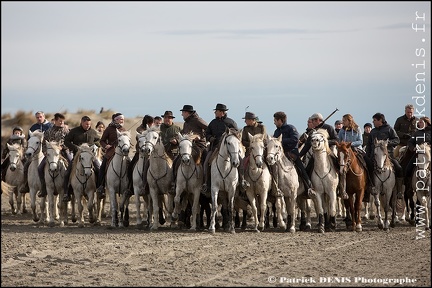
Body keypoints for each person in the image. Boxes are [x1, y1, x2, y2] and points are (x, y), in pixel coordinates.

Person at [272, 111, 316, 198]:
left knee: (302, 170)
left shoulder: (291, 128)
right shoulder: (276, 131)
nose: (274, 122)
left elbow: (295, 139)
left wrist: (281, 141)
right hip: (279, 154)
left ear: (280, 120)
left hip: (292, 153)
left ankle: (309, 188)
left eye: (275, 121)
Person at [62, 116, 101, 202]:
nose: (88, 126)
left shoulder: (93, 132)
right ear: (82, 122)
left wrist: (95, 145)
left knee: (98, 169)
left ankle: (100, 189)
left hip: (90, 156)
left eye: (89, 124)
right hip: (77, 156)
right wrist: (75, 148)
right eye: (86, 124)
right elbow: (66, 141)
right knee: (67, 172)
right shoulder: (74, 131)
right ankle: (67, 192)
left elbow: (98, 141)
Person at [201, 103, 238, 193]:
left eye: (216, 111)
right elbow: (207, 133)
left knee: (239, 160)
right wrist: (210, 138)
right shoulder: (213, 122)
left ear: (221, 112)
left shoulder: (231, 122)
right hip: (216, 148)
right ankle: (206, 183)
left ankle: (242, 181)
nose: (215, 113)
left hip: (230, 149)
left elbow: (236, 134)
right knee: (206, 163)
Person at [365, 112, 404, 198]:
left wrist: (387, 143)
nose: (373, 122)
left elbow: (397, 140)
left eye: (374, 120)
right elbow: (369, 145)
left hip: (388, 156)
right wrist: (367, 156)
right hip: (373, 157)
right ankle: (368, 189)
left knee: (399, 168)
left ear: (380, 120)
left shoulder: (389, 129)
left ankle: (399, 190)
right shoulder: (373, 131)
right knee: (365, 169)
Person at [338, 114, 376, 200]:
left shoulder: (357, 129)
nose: (343, 122)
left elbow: (360, 141)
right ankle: (339, 187)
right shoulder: (341, 131)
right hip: (345, 151)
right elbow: (339, 141)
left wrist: (350, 144)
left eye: (344, 120)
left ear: (349, 121)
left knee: (369, 163)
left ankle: (371, 184)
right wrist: (343, 146)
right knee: (338, 164)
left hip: (356, 150)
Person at [37, 113, 72, 198]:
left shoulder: (66, 130)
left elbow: (70, 142)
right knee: (40, 168)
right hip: (51, 154)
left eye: (63, 121)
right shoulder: (49, 131)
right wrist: (45, 151)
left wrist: (63, 147)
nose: (61, 123)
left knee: (72, 164)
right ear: (55, 121)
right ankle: (43, 188)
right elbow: (44, 143)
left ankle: (69, 189)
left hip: (64, 152)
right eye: (60, 121)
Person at [20, 111, 54, 193]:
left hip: (48, 151)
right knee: (26, 166)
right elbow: (29, 140)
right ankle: (26, 185)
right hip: (35, 153)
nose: (39, 118)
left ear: (44, 116)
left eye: (40, 117)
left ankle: (56, 185)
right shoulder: (33, 127)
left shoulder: (50, 126)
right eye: (37, 117)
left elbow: (53, 139)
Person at [96, 113, 127, 199]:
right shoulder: (109, 129)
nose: (122, 121)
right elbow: (102, 141)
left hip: (122, 153)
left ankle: (129, 186)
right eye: (120, 119)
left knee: (130, 165)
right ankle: (101, 187)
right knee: (102, 167)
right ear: (115, 120)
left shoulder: (123, 129)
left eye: (123, 119)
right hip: (111, 153)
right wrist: (106, 146)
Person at [298, 112, 339, 177]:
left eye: (313, 121)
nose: (312, 122)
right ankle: (309, 185)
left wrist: (325, 142)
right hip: (316, 153)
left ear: (317, 120)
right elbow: (307, 145)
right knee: (308, 168)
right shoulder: (312, 131)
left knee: (338, 165)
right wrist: (299, 155)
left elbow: (337, 140)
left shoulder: (329, 128)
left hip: (329, 151)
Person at [126, 114, 154, 196]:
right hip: (140, 153)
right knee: (130, 167)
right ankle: (130, 186)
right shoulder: (140, 129)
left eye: (151, 123)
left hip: (150, 153)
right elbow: (140, 138)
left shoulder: (152, 130)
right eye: (149, 123)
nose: (151, 124)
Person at [239, 111, 267, 191]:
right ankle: (243, 183)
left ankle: (274, 185)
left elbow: (264, 139)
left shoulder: (262, 127)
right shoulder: (245, 129)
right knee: (242, 165)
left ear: (252, 120)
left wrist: (257, 144)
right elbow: (243, 141)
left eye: (246, 120)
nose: (245, 122)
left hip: (261, 151)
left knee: (271, 165)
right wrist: (252, 144)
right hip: (250, 151)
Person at [403, 116, 431, 186]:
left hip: (429, 154)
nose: (419, 124)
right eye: (419, 122)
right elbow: (410, 142)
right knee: (408, 169)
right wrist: (413, 148)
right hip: (418, 154)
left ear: (426, 123)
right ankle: (409, 186)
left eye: (421, 122)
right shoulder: (416, 133)